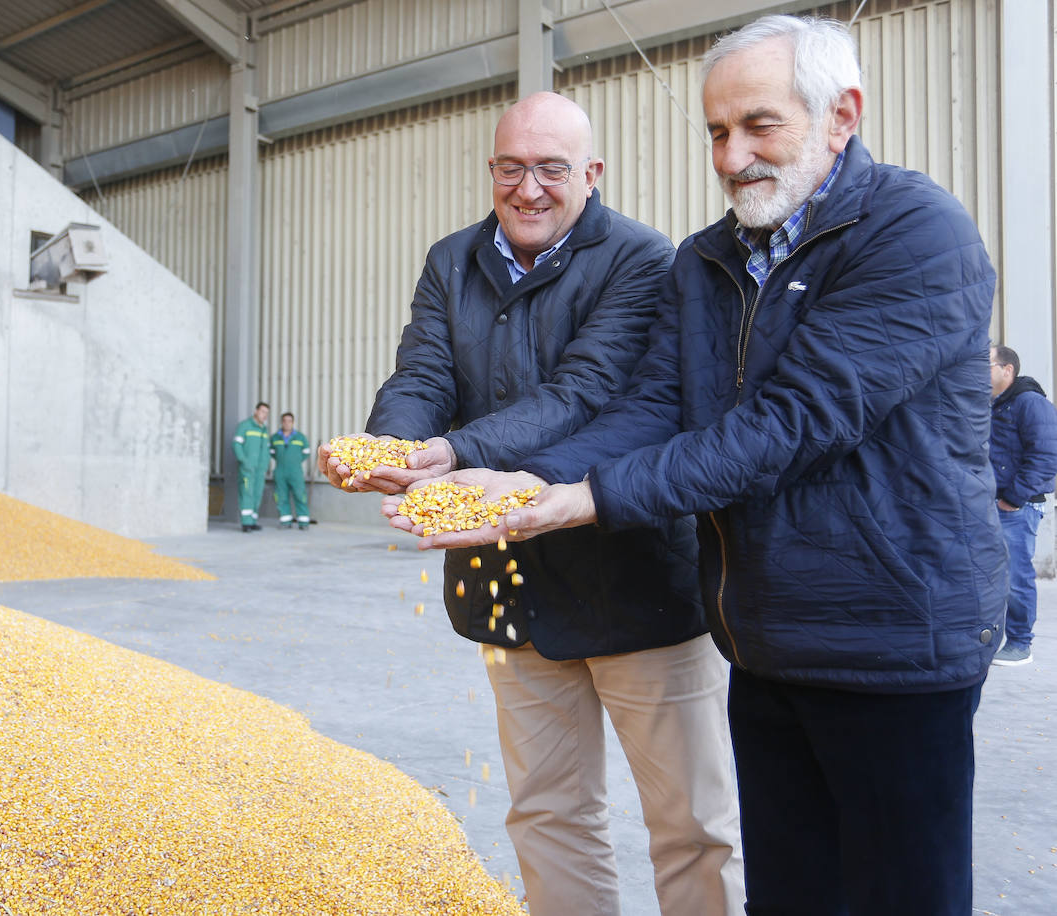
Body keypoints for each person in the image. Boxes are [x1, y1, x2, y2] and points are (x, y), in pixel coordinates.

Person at [390, 17, 1005, 915]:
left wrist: (574, 501)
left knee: (897, 890)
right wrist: (534, 484)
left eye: (762, 125)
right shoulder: (708, 259)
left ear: (843, 116)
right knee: (789, 893)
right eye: (718, 132)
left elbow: (790, 423)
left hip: (891, 635)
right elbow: (651, 406)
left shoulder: (913, 232)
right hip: (764, 636)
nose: (734, 155)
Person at [321, 91, 743, 915]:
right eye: (511, 168)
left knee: (691, 820)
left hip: (636, 576)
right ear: (491, 171)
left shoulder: (641, 260)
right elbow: (423, 372)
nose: (530, 188)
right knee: (548, 810)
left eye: (552, 168)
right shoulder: (454, 259)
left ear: (591, 174)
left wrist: (455, 453)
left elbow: (587, 391)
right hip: (510, 579)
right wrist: (398, 444)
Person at [988, 344, 1057, 666]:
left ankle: (1019, 643)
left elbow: (1046, 457)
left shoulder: (1029, 403)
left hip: (1016, 507)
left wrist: (1012, 499)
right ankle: (989, 640)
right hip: (987, 504)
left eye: (985, 365)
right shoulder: (993, 405)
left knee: (1016, 577)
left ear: (1007, 370)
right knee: (987, 578)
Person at [232, 402, 271, 532]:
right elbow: (236, 444)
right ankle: (246, 523)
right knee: (247, 493)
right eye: (262, 411)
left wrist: (265, 465)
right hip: (247, 468)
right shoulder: (245, 426)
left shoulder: (264, 430)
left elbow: (266, 450)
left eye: (266, 413)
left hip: (260, 469)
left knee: (257, 493)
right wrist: (244, 461)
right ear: (255, 411)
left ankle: (253, 520)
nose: (264, 415)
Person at [270, 412, 312, 529]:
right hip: (280, 471)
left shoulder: (300, 437)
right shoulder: (275, 438)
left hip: (296, 472)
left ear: (293, 423)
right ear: (281, 422)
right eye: (284, 421)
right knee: (281, 496)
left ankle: (303, 522)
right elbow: (272, 453)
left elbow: (306, 453)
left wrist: (294, 461)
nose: (287, 423)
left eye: (289, 421)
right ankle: (285, 521)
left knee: (300, 495)